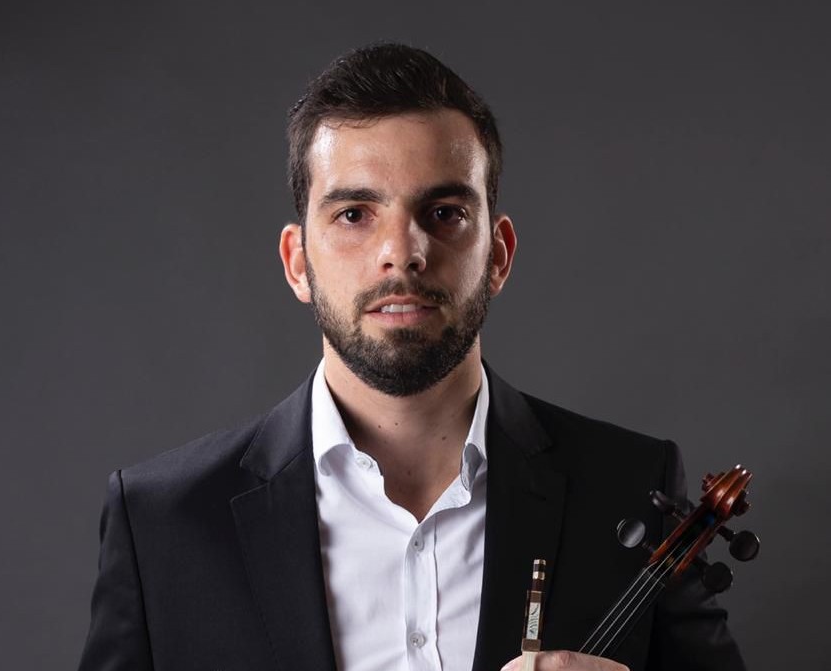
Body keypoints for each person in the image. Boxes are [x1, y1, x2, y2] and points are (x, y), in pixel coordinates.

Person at [78, 43, 745, 671]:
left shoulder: (628, 486)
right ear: (297, 262)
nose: (402, 252)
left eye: (445, 211)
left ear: (498, 255)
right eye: (354, 214)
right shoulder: (161, 521)